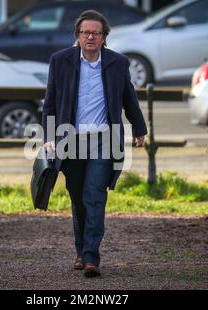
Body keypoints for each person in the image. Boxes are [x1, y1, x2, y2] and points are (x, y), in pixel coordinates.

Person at [42, 10, 147, 278]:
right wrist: (48, 136)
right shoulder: (60, 60)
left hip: (104, 139)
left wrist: (138, 128)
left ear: (104, 37)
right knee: (78, 196)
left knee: (94, 195)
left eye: (96, 33)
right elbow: (51, 101)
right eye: (85, 32)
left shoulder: (117, 63)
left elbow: (128, 98)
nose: (90, 37)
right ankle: (81, 251)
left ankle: (91, 258)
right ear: (77, 35)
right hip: (70, 139)